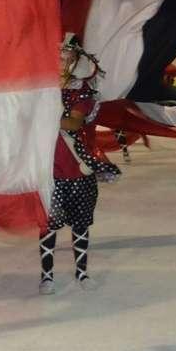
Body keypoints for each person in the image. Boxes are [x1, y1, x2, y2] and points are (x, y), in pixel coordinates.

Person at [42, 35, 121, 294]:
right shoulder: (40, 88)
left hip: (77, 171)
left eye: (67, 57)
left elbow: (74, 123)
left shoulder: (81, 90)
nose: (62, 62)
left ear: (76, 60)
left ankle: (82, 273)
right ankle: (47, 277)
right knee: (48, 227)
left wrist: (40, 115)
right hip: (47, 171)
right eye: (58, 56)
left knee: (80, 225)